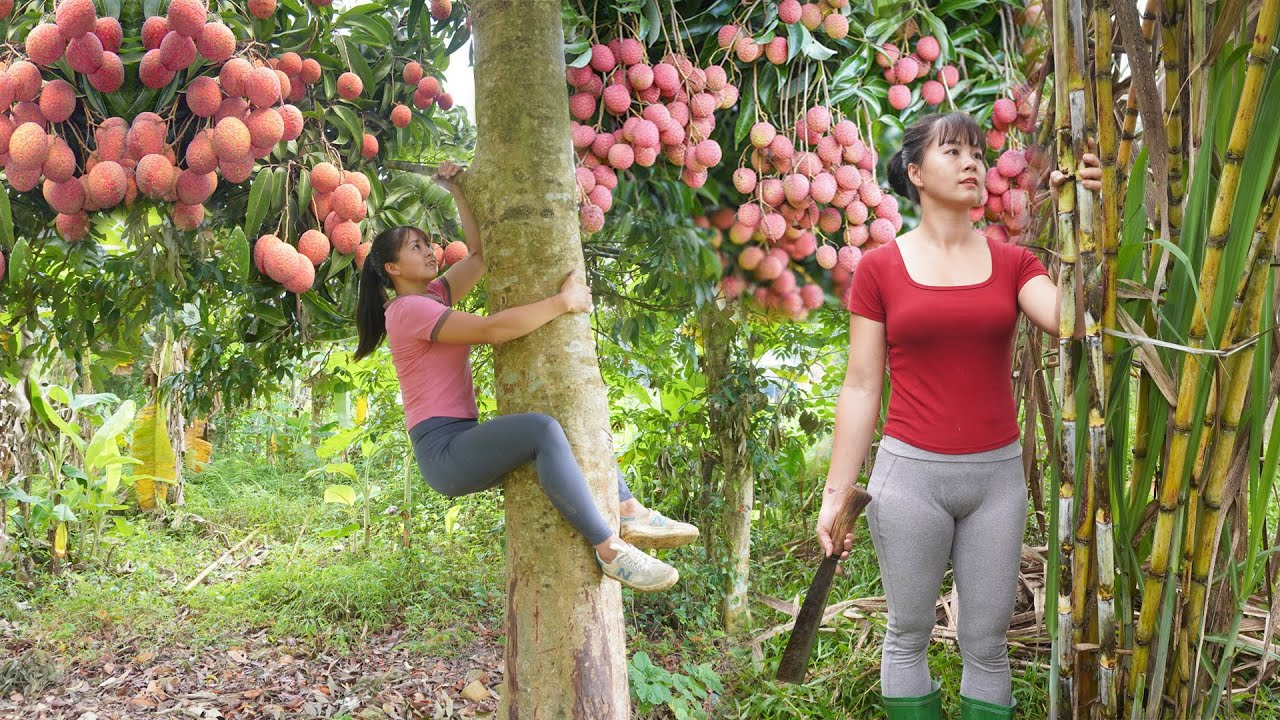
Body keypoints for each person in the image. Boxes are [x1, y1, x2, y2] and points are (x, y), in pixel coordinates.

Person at [816, 112, 1103, 719]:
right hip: (909, 478)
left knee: (987, 646)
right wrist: (836, 494)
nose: (972, 162)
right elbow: (863, 386)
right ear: (916, 173)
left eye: (978, 151)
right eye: (953, 152)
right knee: (908, 633)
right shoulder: (879, 269)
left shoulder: (1013, 263)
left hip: (996, 481)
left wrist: (1084, 214)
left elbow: (1072, 320)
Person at [354, 160, 699, 592]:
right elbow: (493, 330)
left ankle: (628, 507)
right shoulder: (408, 311)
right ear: (393, 269)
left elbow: (479, 256)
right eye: (416, 247)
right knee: (541, 428)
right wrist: (564, 302)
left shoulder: (433, 294)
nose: (430, 251)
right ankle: (611, 551)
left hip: (461, 440)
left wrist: (455, 188)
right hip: (444, 451)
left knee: (562, 422)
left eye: (428, 243)